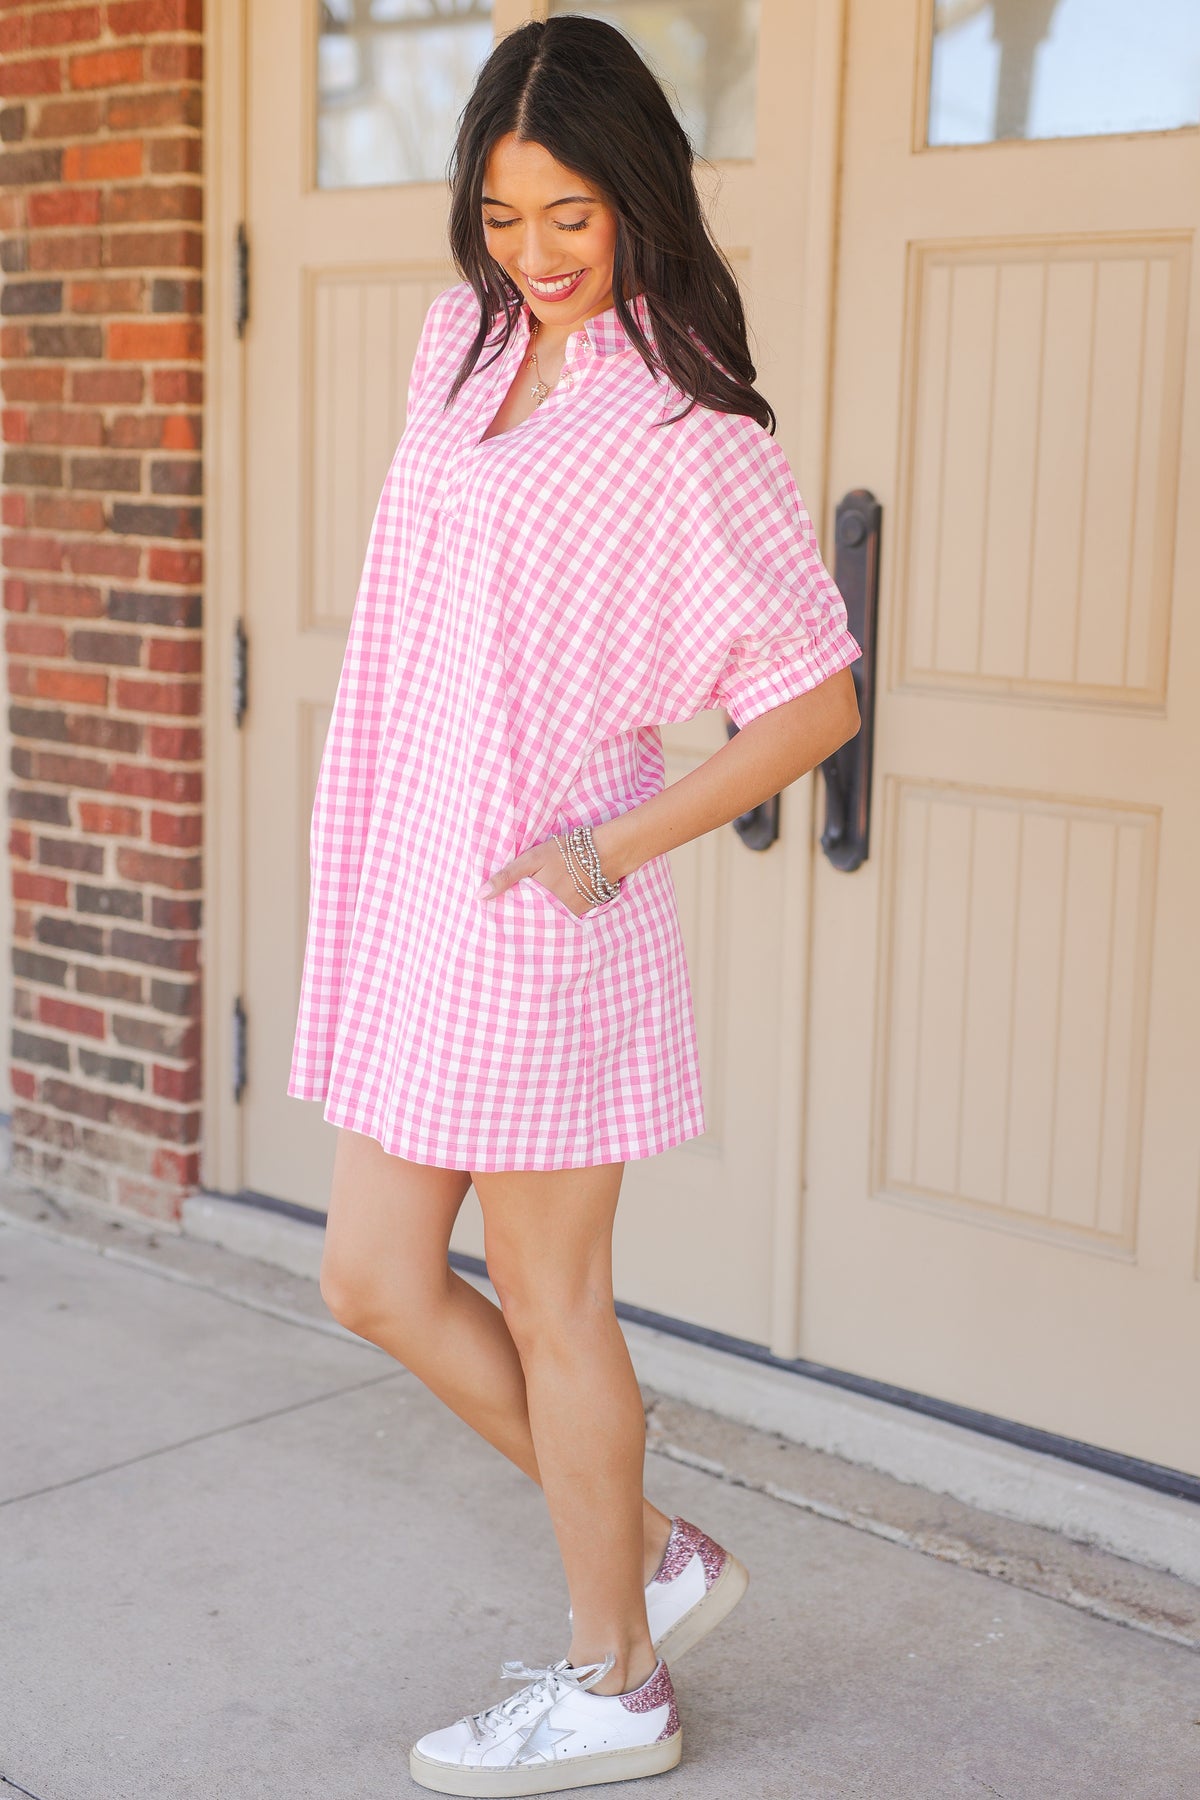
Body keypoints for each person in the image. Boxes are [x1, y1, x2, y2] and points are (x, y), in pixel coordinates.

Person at [287, 14, 861, 1795]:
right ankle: (659, 1558)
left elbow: (817, 700)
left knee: (553, 1305)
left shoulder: (684, 416)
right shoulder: (453, 342)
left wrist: (614, 850)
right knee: (373, 1276)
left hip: (552, 901)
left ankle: (616, 1678)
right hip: (417, 881)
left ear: (640, 205)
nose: (535, 256)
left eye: (574, 219)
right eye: (506, 212)